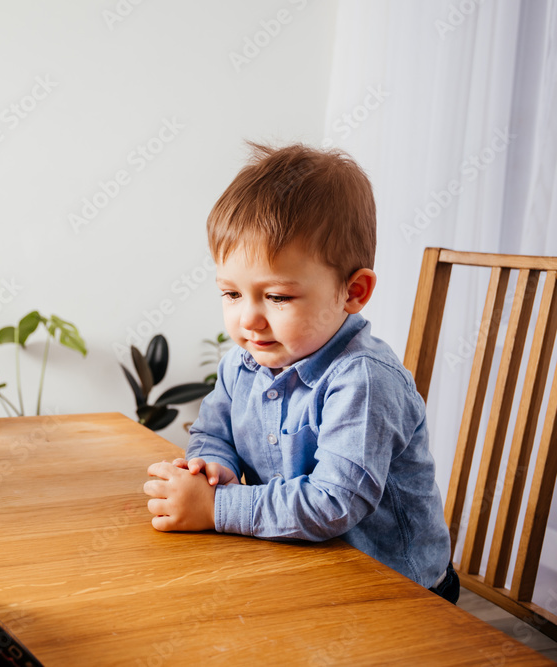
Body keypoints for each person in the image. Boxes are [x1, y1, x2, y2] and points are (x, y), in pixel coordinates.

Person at [143, 143, 458, 603]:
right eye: (231, 294)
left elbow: (333, 502)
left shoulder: (363, 380)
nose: (248, 319)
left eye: (278, 297)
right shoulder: (243, 363)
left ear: (353, 291)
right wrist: (213, 467)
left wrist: (216, 506)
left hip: (396, 592)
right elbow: (214, 433)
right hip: (307, 564)